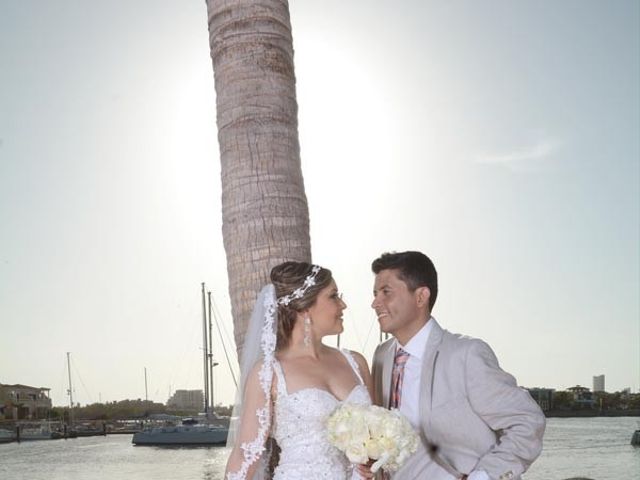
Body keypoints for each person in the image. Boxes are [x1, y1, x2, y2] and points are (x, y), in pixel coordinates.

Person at [369, 251, 545, 480]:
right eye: (374, 294)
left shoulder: (466, 354)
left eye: (386, 292)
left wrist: (482, 476)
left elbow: (527, 421)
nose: (375, 303)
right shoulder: (381, 356)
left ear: (421, 297)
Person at [225, 261, 374, 480]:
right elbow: (244, 454)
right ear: (304, 307)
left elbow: (375, 441)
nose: (343, 305)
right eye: (333, 296)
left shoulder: (356, 363)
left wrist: (373, 464)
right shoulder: (269, 373)